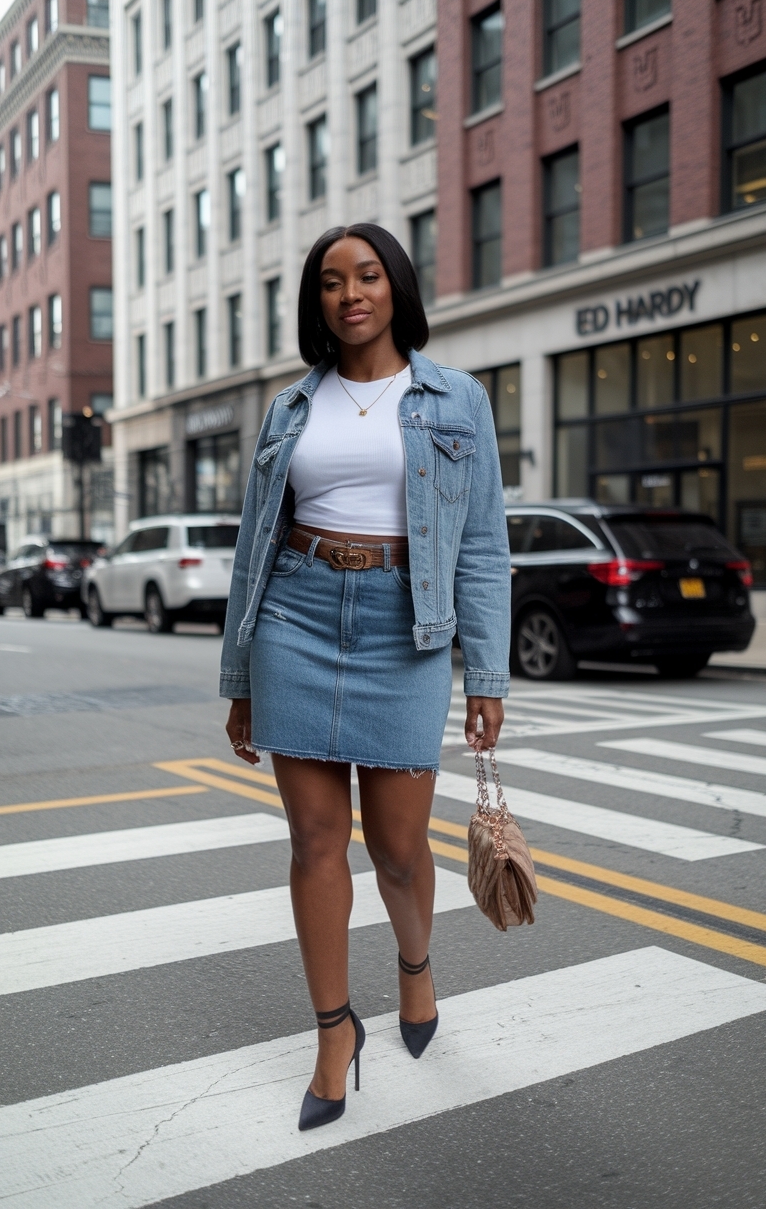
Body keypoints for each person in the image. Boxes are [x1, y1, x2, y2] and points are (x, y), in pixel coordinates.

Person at [221, 223, 510, 1131]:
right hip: (295, 616)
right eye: (331, 282)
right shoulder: (287, 410)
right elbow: (250, 549)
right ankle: (331, 1032)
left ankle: (415, 970)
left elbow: (484, 545)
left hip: (405, 626)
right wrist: (240, 679)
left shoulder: (455, 399)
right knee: (314, 843)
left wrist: (487, 674)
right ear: (317, 304)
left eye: (368, 276)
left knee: (396, 849)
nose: (350, 294)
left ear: (397, 287)